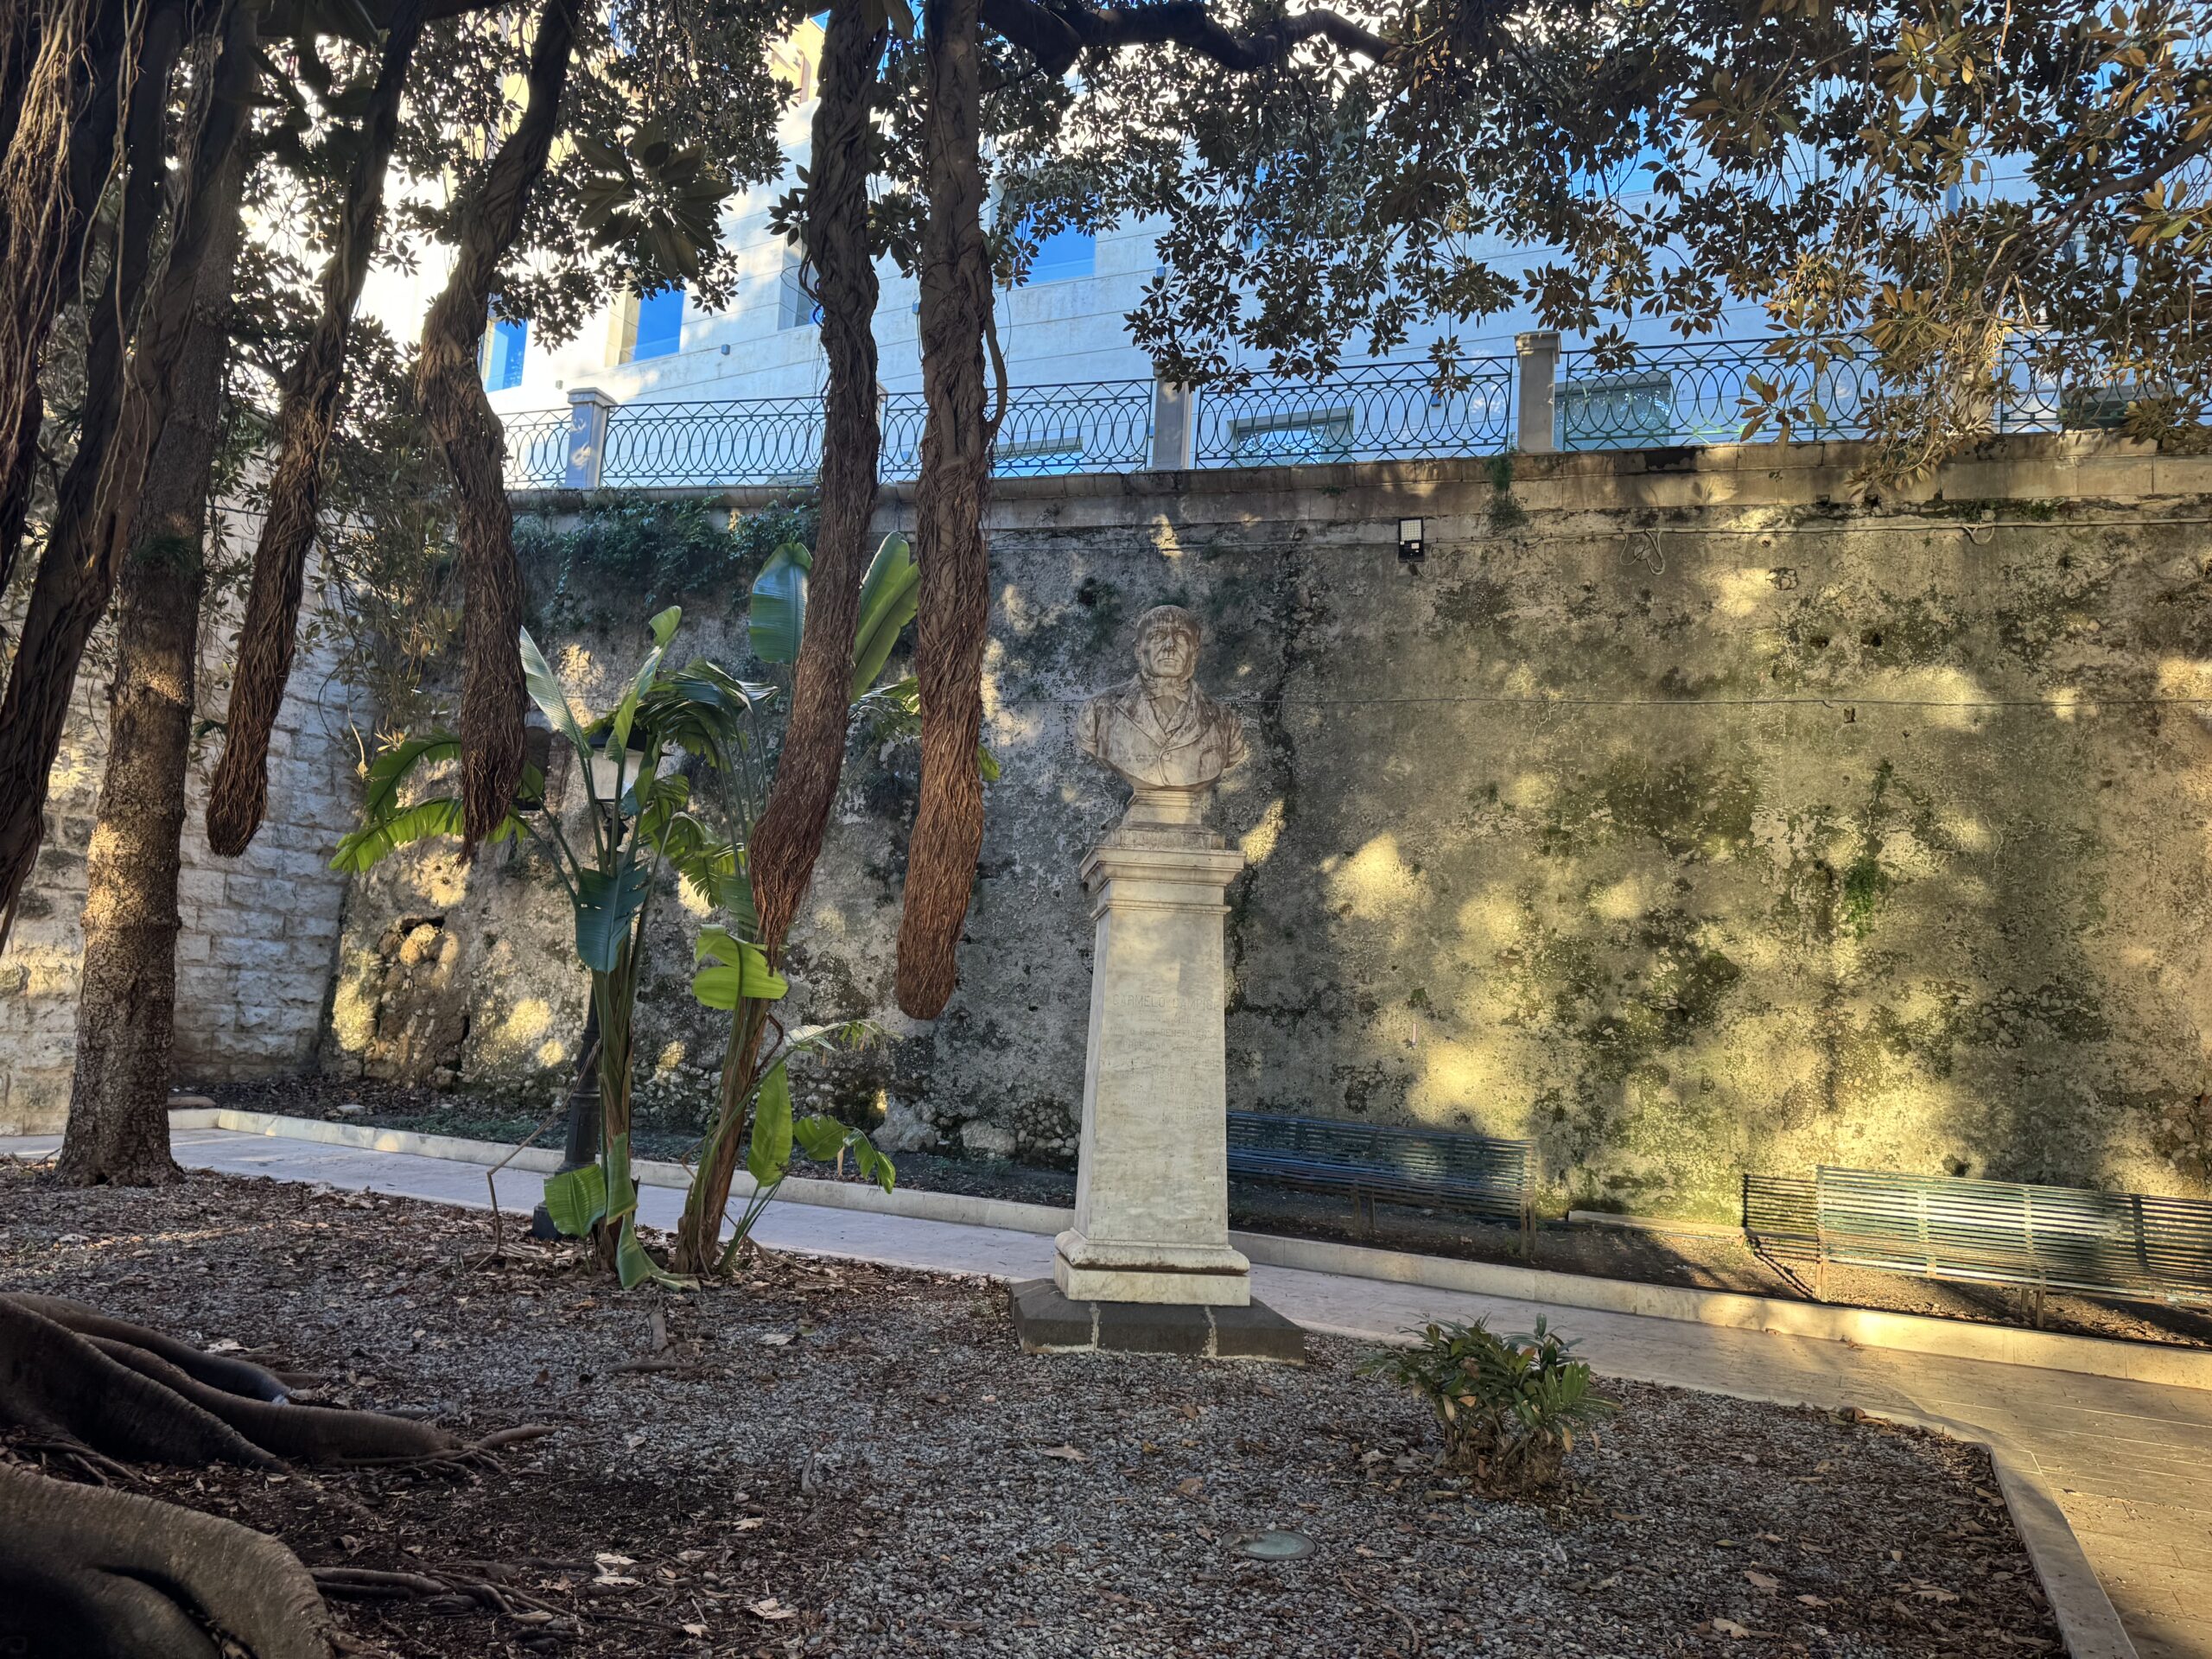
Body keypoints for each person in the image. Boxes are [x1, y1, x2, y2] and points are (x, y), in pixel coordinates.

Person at [1076, 604, 1248, 791]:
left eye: (1181, 637)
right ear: (1139, 650)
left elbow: (1233, 755)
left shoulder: (1226, 721)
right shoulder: (1099, 711)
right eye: (1157, 636)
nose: (1169, 646)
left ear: (1195, 652)